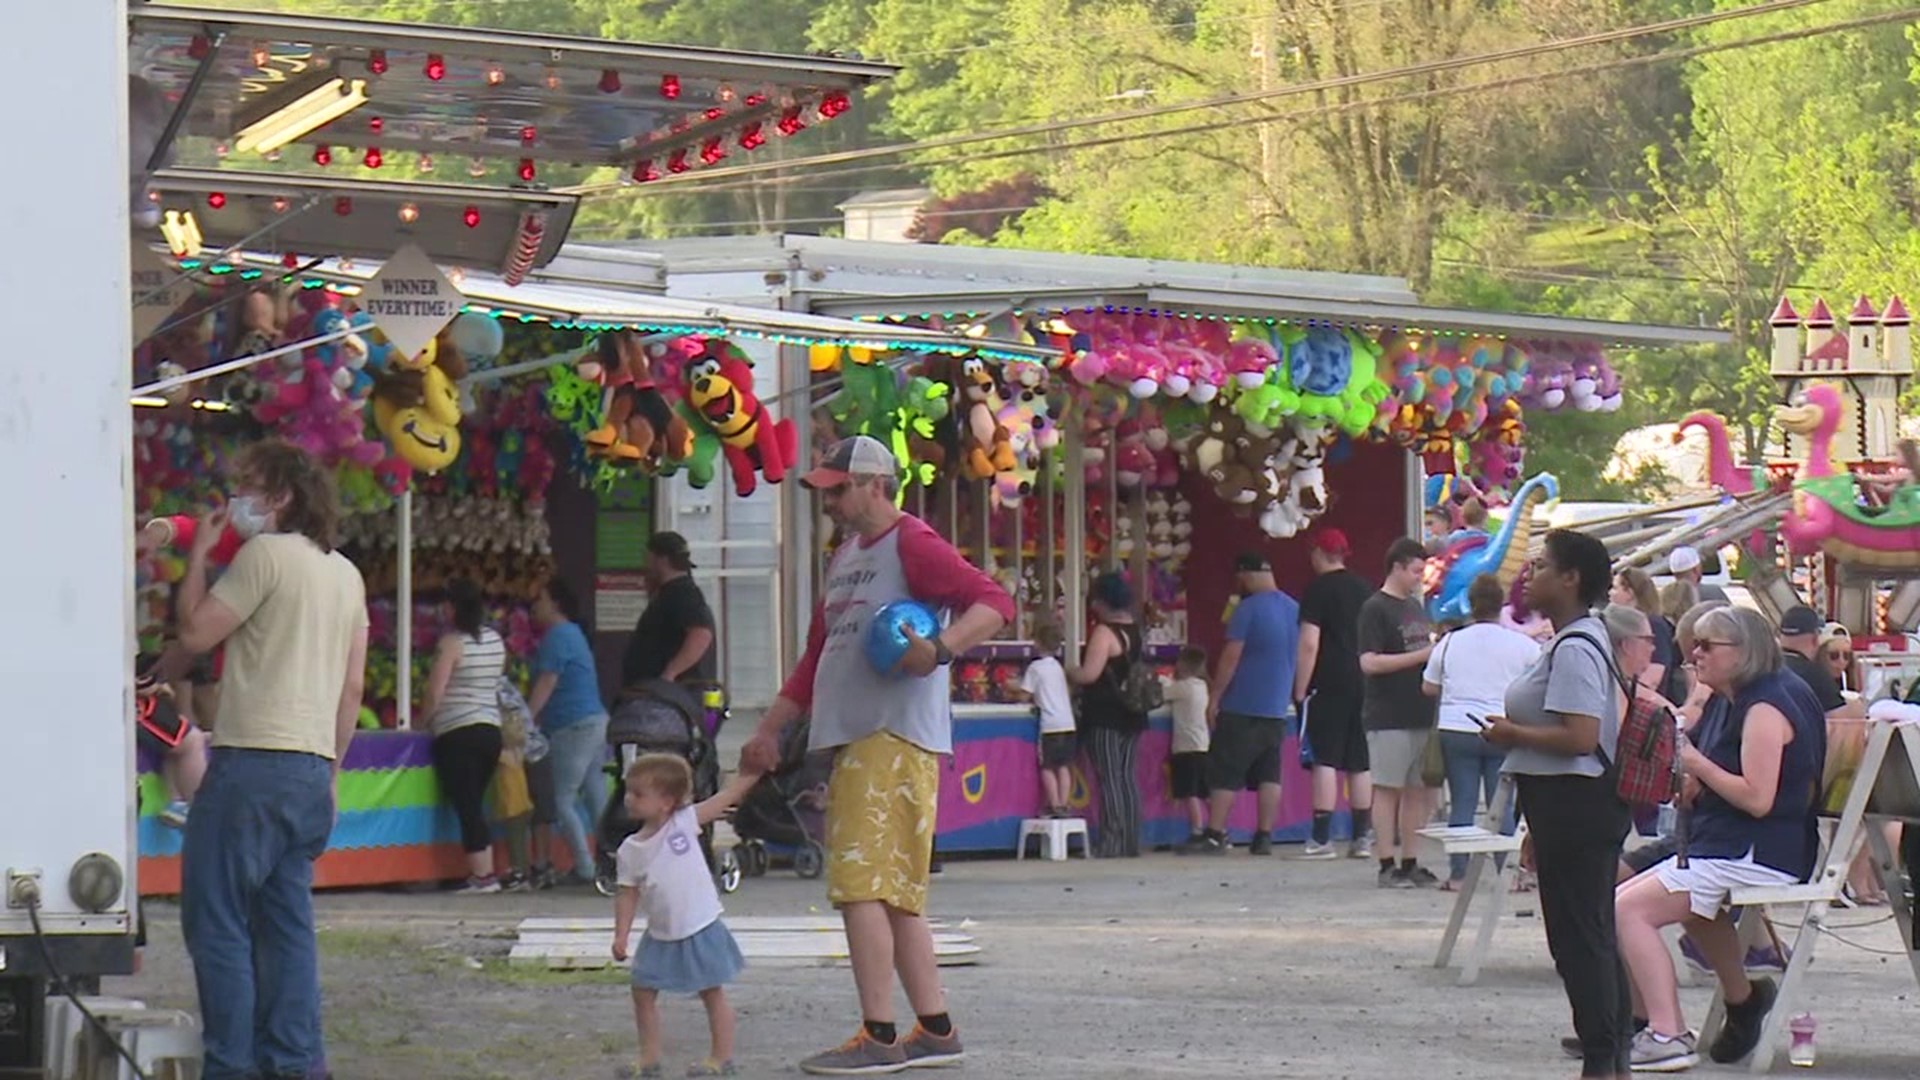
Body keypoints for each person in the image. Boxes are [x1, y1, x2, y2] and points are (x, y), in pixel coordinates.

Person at [738, 436, 1012, 1075]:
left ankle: (880, 1035)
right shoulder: (846, 557)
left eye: (838, 488)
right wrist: (772, 728)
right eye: (825, 490)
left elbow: (994, 602)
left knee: (859, 886)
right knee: (893, 895)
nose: (829, 501)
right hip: (862, 736)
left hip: (888, 734)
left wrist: (941, 648)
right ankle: (936, 1028)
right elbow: (817, 655)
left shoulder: (910, 542)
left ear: (875, 484)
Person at [157, 440, 368, 1080]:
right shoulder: (344, 573)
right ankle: (297, 1062)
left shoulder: (262, 557)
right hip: (310, 767)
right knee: (287, 926)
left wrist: (196, 557)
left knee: (217, 921)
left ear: (279, 496)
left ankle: (231, 1064)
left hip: (251, 759)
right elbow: (353, 688)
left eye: (247, 486)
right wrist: (331, 775)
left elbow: (196, 634)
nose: (235, 500)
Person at [1613, 607, 1826, 1072]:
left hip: (1758, 848)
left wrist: (1698, 766)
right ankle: (1743, 1000)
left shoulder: (1767, 705)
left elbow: (1757, 798)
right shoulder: (1737, 696)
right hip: (1728, 840)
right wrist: (1694, 783)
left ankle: (1666, 1032)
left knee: (1626, 909)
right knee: (1667, 904)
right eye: (1694, 644)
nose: (1695, 653)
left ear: (1744, 652)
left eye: (1708, 645)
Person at [1483, 529, 1628, 1080]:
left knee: (1579, 936)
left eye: (1542, 566)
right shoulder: (1573, 639)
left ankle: (1602, 1053)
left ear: (1570, 579)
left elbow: (1580, 736)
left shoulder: (1576, 646)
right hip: (1560, 804)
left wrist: (1512, 733)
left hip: (1577, 802)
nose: (1530, 574)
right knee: (1587, 931)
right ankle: (1611, 1052)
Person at [612, 754, 761, 1079]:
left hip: (699, 926)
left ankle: (722, 1058)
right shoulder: (629, 850)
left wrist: (749, 777)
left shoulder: (683, 822)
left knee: (711, 991)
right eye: (629, 791)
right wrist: (621, 935)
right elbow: (627, 894)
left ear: (667, 802)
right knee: (642, 990)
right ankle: (649, 1057)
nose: (628, 799)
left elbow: (723, 800)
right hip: (660, 933)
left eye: (639, 793)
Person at [1421, 574, 1538, 888]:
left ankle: (1459, 874)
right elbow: (1539, 684)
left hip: (1457, 727)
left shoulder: (1450, 642)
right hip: (1504, 727)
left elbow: (1429, 686)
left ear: (1470, 605)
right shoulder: (1522, 645)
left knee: (1463, 802)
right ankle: (1508, 874)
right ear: (1500, 604)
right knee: (1502, 805)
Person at [1187, 552, 1297, 856]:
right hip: (1276, 707)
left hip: (1243, 704)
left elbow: (1231, 657)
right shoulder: (1293, 608)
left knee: (1225, 770)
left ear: (1245, 575)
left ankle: (1215, 832)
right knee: (1269, 773)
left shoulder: (1246, 610)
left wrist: (1216, 696)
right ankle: (1264, 835)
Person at [417, 578, 508, 894]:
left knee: (467, 804)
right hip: (490, 732)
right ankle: (484, 870)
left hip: (458, 733)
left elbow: (435, 692)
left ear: (453, 607)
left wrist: (421, 722)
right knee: (476, 802)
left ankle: (483, 876)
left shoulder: (451, 644)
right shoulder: (496, 641)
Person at [1358, 538, 1438, 887]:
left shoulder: (1415, 607)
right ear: (1398, 567)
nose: (1420, 578)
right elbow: (1369, 662)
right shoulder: (1375, 609)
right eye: (1416, 570)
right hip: (1387, 713)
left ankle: (1411, 859)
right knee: (1387, 788)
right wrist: (1421, 657)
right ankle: (1385, 862)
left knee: (1416, 791)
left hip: (1420, 710)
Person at [1293, 527, 1377, 859]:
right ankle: (1361, 838)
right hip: (1365, 679)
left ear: (1318, 553)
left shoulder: (1317, 590)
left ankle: (1321, 837)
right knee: (1360, 761)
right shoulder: (1365, 588)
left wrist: (1301, 686)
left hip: (1328, 680)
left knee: (1325, 758)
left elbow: (1309, 643)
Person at [528, 577, 610, 885]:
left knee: (562, 800)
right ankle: (611, 860)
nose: (536, 606)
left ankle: (585, 866)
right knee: (595, 796)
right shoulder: (573, 634)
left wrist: (527, 717)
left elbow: (547, 681)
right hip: (594, 720)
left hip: (570, 725)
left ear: (556, 604)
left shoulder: (557, 636)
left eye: (541, 600)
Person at [1070, 571, 1149, 858]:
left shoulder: (1105, 633)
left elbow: (1090, 674)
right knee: (1127, 776)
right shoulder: (1136, 630)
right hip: (1132, 712)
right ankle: (1130, 840)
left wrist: (1070, 671)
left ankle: (1111, 841)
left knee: (1109, 778)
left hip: (1105, 714)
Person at [620, 531, 717, 689]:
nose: (645, 564)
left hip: (673, 699)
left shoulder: (682, 593)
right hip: (664, 695)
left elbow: (701, 634)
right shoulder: (671, 594)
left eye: (648, 557)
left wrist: (669, 674)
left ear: (660, 559)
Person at [133, 656, 209, 829]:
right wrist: (159, 686)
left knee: (173, 746)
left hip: (134, 704)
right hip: (137, 707)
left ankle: (176, 802)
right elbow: (140, 681)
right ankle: (199, 809)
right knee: (192, 741)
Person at [1016, 617, 1076, 818]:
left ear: (1037, 643)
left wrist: (1011, 688)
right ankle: (1065, 803)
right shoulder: (1058, 668)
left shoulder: (1035, 668)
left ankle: (1054, 804)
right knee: (1064, 766)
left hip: (1049, 725)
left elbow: (1024, 695)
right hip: (1068, 724)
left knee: (1048, 767)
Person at [1164, 645, 1211, 843]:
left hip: (1185, 747)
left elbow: (1162, 692)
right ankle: (1219, 827)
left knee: (1189, 792)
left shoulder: (1182, 688)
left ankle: (1197, 830)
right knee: (1205, 792)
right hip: (1202, 745)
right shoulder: (1202, 686)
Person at [1612, 567, 1680, 704]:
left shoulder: (1654, 626)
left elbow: (1653, 678)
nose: (1610, 593)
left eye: (1615, 588)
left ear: (1629, 593)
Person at [1776, 605, 1857, 718]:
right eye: (1833, 655)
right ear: (1815, 639)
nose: (1841, 662)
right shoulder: (1816, 677)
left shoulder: (1763, 669)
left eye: (1847, 656)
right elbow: (1839, 723)